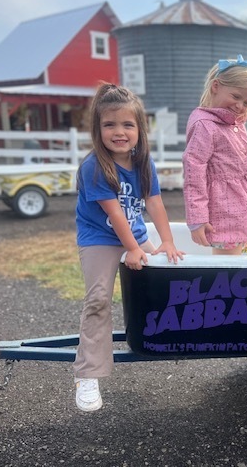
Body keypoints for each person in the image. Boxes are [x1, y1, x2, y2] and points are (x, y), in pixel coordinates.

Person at [74, 83, 184, 412]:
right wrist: (134, 249)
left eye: (127, 125)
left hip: (133, 232)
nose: (119, 132)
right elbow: (114, 214)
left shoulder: (143, 163)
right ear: (98, 129)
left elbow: (155, 204)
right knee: (98, 299)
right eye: (109, 124)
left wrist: (165, 241)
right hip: (100, 237)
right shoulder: (94, 167)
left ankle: (157, 336)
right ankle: (87, 374)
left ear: (140, 129)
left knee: (167, 276)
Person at [183, 54, 247, 255]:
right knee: (226, 267)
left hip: (242, 209)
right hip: (223, 213)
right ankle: (225, 287)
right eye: (236, 97)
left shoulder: (236, 124)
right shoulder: (205, 126)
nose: (240, 106)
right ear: (216, 86)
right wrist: (197, 218)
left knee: (236, 265)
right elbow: (194, 174)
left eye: (246, 102)